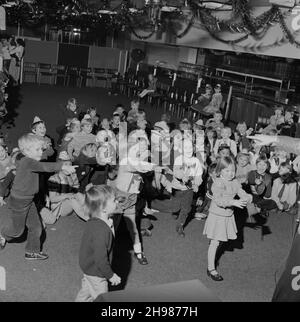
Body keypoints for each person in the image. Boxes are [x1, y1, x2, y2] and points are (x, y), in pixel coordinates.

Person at [0, 134, 77, 259]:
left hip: (29, 200)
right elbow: (44, 167)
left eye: (41, 148)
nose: (41, 151)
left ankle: (31, 251)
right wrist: (62, 166)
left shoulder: (28, 159)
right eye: (37, 149)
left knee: (36, 227)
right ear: (26, 151)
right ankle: (2, 234)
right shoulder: (27, 161)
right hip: (19, 201)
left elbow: (41, 163)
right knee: (17, 230)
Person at [203, 156, 252, 281]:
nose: (230, 174)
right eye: (227, 171)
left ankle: (212, 259)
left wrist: (247, 196)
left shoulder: (234, 181)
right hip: (217, 216)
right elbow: (219, 200)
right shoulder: (217, 183)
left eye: (232, 171)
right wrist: (234, 202)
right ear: (220, 171)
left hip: (228, 215)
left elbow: (240, 191)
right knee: (215, 242)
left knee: (221, 240)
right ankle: (211, 268)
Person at [75, 185, 121, 302]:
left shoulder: (95, 221)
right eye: (114, 200)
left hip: (89, 267)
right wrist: (110, 275)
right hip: (97, 272)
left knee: (87, 291)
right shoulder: (101, 230)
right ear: (103, 208)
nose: (117, 202)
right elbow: (101, 258)